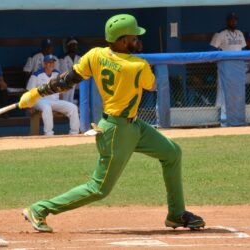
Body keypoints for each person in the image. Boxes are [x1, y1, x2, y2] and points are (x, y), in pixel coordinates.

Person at [19, 13, 205, 232]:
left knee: (172, 153)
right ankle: (40, 209)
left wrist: (36, 93)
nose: (137, 41)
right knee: (99, 189)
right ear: (122, 41)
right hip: (117, 131)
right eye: (134, 38)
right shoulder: (136, 65)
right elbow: (152, 85)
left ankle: (176, 214)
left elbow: (66, 80)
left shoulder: (95, 55)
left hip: (134, 126)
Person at [26, 54, 80, 136]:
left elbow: (60, 91)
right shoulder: (36, 75)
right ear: (44, 64)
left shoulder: (57, 74)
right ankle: (49, 134)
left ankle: (74, 133)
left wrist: (60, 106)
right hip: (40, 101)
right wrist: (30, 107)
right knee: (47, 107)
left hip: (54, 101)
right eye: (49, 63)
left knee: (73, 107)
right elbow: (28, 93)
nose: (51, 64)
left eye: (52, 62)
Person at [210, 12, 246, 109]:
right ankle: (219, 109)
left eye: (235, 20)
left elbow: (244, 50)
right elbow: (213, 49)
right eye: (231, 19)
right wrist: (219, 60)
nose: (234, 22)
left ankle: (236, 108)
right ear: (227, 21)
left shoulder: (240, 33)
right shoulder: (220, 33)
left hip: (237, 65)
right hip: (225, 65)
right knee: (222, 88)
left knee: (236, 88)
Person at [60, 37, 81, 103]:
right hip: (67, 87)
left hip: (79, 87)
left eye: (76, 45)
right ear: (68, 46)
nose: (74, 47)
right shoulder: (63, 59)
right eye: (72, 45)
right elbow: (65, 74)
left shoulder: (80, 58)